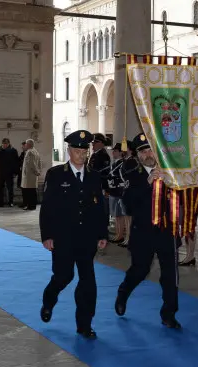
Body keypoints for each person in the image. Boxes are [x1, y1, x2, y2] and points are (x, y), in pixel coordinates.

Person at [40, 130, 108, 340]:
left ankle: (84, 324)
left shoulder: (95, 177)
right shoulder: (56, 174)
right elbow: (47, 207)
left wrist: (102, 233)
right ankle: (49, 299)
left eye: (84, 151)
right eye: (76, 150)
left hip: (86, 238)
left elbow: (100, 208)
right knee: (64, 276)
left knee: (88, 282)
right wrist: (47, 235)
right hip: (63, 237)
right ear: (69, 151)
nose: (80, 154)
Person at [114, 132, 181, 329]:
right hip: (143, 231)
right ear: (137, 155)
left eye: (150, 149)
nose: (147, 154)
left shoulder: (169, 170)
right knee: (140, 270)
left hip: (167, 231)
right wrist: (148, 182)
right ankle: (123, 292)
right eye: (143, 151)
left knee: (170, 274)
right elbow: (128, 203)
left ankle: (169, 313)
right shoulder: (132, 173)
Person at [0, 138, 20, 207]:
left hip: (10, 172)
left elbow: (16, 162)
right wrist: (1, 149)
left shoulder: (13, 150)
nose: (5, 145)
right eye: (3, 143)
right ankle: (0, 202)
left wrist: (16, 172)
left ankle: (11, 202)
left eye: (6, 143)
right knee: (0, 188)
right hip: (1, 172)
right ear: (2, 144)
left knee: (10, 188)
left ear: (8, 143)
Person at [20, 139, 42, 210]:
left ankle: (31, 206)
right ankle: (32, 205)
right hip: (32, 175)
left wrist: (37, 172)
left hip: (29, 175)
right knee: (32, 191)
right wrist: (39, 171)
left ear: (28, 144)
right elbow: (39, 163)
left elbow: (32, 164)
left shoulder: (30, 152)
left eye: (26, 144)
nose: (25, 145)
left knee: (30, 192)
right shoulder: (36, 151)